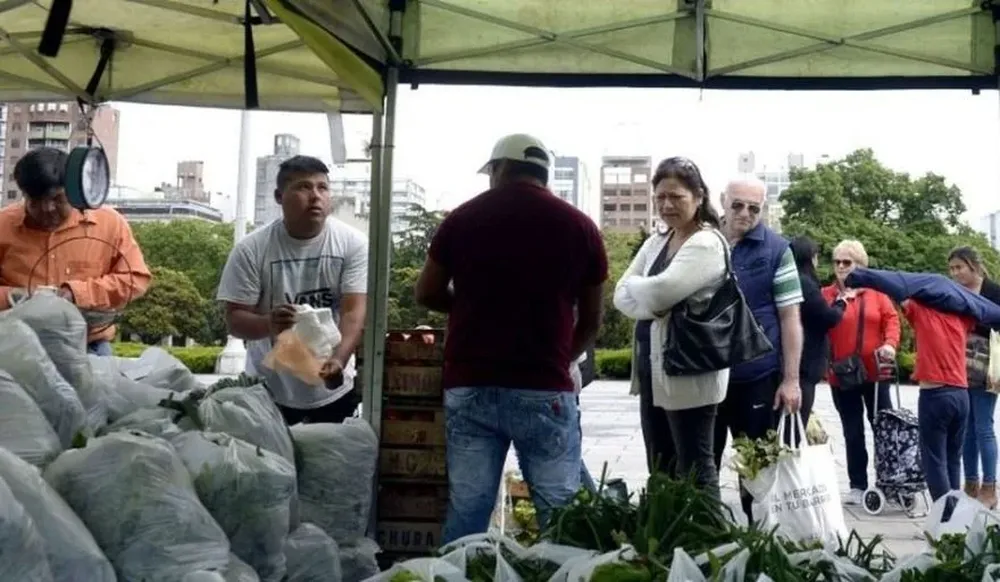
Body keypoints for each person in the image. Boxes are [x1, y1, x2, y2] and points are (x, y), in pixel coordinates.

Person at [414, 134, 607, 543]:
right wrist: (561, 357)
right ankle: (564, 569)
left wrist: (471, 309)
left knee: (468, 507)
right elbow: (592, 320)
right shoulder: (580, 227)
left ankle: (458, 570)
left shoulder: (462, 219)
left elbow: (426, 292)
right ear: (543, 173)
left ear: (499, 168)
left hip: (471, 383)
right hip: (544, 386)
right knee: (559, 508)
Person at [217, 155, 368, 425]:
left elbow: (353, 312)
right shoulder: (251, 249)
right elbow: (235, 320)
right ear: (279, 196)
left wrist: (339, 359)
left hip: (334, 389)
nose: (316, 196)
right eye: (303, 187)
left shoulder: (352, 244)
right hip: (268, 391)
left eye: (323, 187)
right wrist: (268, 323)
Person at [614, 156, 728, 497]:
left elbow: (660, 292)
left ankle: (708, 529)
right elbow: (621, 295)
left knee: (696, 467)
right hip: (653, 370)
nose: (666, 205)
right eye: (660, 197)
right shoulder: (657, 241)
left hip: (691, 370)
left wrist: (646, 292)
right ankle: (667, 529)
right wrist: (652, 299)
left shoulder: (706, 243)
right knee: (660, 466)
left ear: (698, 196)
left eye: (676, 196)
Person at [0, 147, 151, 355]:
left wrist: (76, 293)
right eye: (35, 201)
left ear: (73, 190)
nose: (47, 208)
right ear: (23, 194)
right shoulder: (3, 225)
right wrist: (16, 297)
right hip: (16, 345)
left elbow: (136, 279)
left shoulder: (110, 224)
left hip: (89, 345)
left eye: (57, 199)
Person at [714, 177, 803, 519]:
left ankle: (759, 533)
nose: (745, 213)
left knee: (757, 468)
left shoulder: (777, 250)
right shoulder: (704, 241)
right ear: (723, 201)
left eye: (754, 208)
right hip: (706, 373)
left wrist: (791, 380)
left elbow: (790, 317)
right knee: (702, 461)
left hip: (756, 376)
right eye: (737, 205)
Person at [821, 239, 900, 505]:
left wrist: (890, 344)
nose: (841, 267)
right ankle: (857, 484)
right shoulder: (827, 295)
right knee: (851, 430)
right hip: (842, 373)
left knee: (883, 429)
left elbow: (892, 320)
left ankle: (889, 482)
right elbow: (819, 324)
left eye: (847, 262)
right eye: (837, 262)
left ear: (860, 265)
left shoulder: (877, 293)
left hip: (876, 371)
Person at [903, 298, 972, 502]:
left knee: (934, 461)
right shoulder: (962, 316)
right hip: (961, 393)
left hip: (935, 394)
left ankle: (944, 514)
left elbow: (901, 294)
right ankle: (955, 512)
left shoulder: (921, 309)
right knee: (953, 459)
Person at [948, 246, 1000, 508]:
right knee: (966, 428)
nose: (955, 273)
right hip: (960, 366)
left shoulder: (994, 292)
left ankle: (990, 487)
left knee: (983, 426)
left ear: (973, 266)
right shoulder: (954, 293)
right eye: (952, 269)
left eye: (959, 267)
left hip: (987, 367)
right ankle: (970, 484)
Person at [788, 236, 846, 427]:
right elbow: (826, 317)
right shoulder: (805, 283)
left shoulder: (789, 279)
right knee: (796, 423)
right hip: (806, 360)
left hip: (796, 359)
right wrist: (840, 304)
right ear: (810, 257)